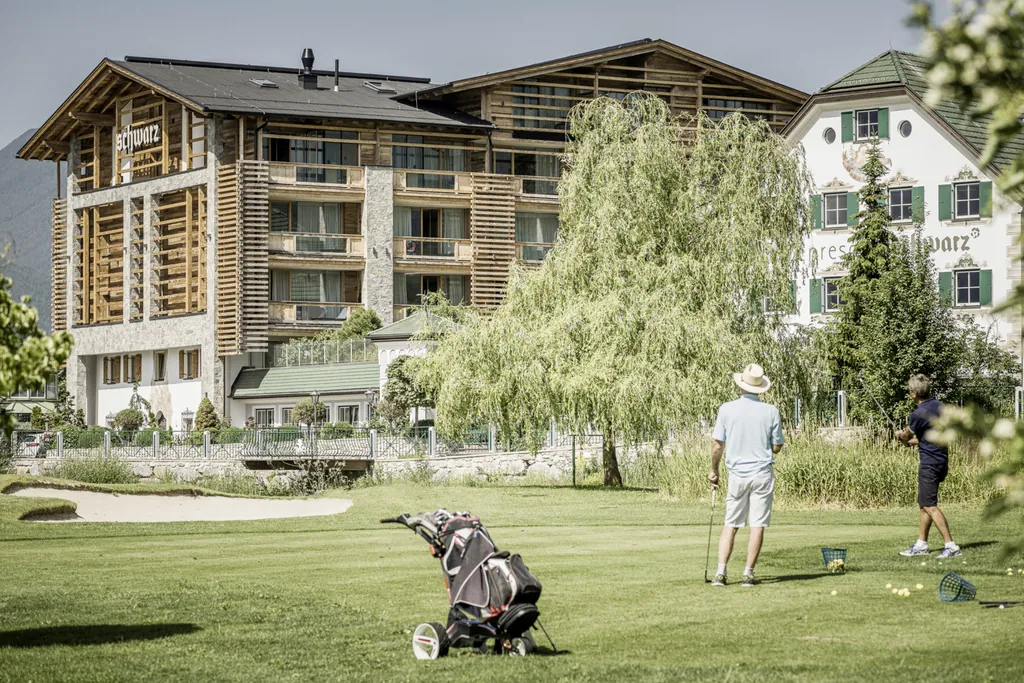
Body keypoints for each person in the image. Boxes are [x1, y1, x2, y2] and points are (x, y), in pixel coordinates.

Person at [708, 363, 784, 587]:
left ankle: (721, 573)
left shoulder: (727, 409)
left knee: (731, 522)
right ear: (760, 387)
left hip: (737, 475)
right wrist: (770, 448)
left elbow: (717, 445)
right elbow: (777, 445)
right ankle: (748, 574)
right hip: (762, 473)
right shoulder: (771, 411)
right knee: (757, 524)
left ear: (741, 385)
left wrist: (714, 470)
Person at [896, 374, 961, 558]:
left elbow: (907, 436)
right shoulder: (940, 407)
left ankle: (951, 546)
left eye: (910, 391)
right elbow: (927, 438)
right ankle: (921, 544)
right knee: (924, 504)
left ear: (914, 394)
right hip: (941, 460)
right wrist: (912, 441)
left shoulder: (917, 414)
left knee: (930, 505)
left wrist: (900, 436)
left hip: (929, 464)